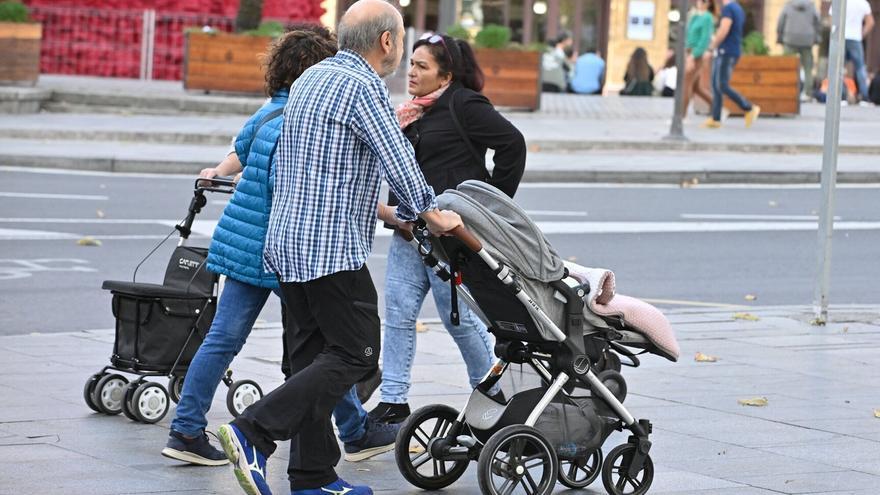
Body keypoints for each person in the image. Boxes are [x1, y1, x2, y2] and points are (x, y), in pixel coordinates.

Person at [215, 1, 464, 495]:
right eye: (400, 40)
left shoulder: (310, 79)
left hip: (286, 243)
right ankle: (253, 431)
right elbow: (397, 157)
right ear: (387, 41)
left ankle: (313, 478)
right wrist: (431, 213)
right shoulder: (363, 86)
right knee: (357, 353)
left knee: (310, 361)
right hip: (329, 249)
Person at [160, 26, 392, 469]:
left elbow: (241, 152)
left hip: (242, 243)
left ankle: (185, 429)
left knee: (222, 339)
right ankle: (355, 431)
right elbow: (321, 187)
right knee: (327, 347)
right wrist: (386, 213)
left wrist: (217, 170)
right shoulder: (308, 121)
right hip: (287, 249)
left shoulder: (269, 112)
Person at [368, 33, 526, 425]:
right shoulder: (411, 112)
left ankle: (495, 394)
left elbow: (512, 145)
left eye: (422, 66)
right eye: (411, 64)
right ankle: (393, 401)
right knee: (398, 314)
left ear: (446, 75)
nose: (412, 72)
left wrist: (487, 206)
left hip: (449, 238)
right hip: (410, 230)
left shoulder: (464, 104)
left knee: (459, 320)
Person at [702, 0, 761, 129]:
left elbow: (724, 29)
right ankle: (715, 118)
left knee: (722, 85)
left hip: (726, 51)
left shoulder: (728, 9)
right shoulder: (737, 8)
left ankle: (749, 107)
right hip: (729, 51)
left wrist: (711, 47)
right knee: (716, 86)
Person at [831, 0, 874, 104]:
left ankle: (841, 97)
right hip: (855, 38)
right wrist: (861, 34)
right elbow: (870, 22)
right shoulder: (862, 3)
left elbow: (832, 19)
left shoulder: (840, 2)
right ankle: (864, 98)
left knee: (839, 68)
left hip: (841, 38)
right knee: (860, 68)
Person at [777, 0, 821, 101]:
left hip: (790, 38)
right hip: (807, 40)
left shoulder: (788, 5)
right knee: (808, 68)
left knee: (787, 67)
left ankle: (786, 90)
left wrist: (780, 36)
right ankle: (807, 93)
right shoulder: (812, 6)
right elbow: (817, 22)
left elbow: (781, 21)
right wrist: (816, 37)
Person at [681, 0, 715, 116]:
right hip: (689, 52)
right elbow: (688, 34)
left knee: (686, 84)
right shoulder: (696, 16)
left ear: (707, 3)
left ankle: (681, 116)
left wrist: (693, 56)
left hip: (696, 54)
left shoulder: (707, 17)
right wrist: (692, 16)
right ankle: (716, 107)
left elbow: (704, 39)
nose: (698, 2)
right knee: (697, 87)